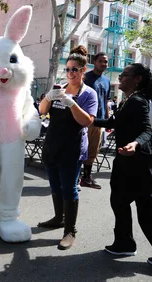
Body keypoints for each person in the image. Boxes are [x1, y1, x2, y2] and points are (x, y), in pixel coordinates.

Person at [38, 45, 98, 250]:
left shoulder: (89, 94)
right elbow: (42, 111)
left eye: (75, 69)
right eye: (68, 69)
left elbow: (87, 121)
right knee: (55, 186)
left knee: (69, 188)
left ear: (83, 70)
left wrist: (71, 103)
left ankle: (70, 230)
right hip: (52, 145)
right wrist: (48, 97)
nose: (70, 73)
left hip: (72, 149)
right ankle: (58, 218)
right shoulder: (59, 88)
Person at [94, 63, 152, 266]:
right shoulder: (128, 101)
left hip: (137, 162)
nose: (121, 77)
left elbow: (147, 130)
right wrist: (89, 120)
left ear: (137, 79)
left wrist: (135, 144)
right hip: (125, 161)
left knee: (144, 209)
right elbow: (113, 124)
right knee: (120, 202)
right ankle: (124, 243)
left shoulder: (138, 101)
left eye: (125, 75)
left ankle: (125, 243)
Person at [80, 52, 111, 189]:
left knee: (93, 150)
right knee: (80, 149)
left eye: (106, 62)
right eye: (101, 61)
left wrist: (107, 119)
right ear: (94, 62)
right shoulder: (85, 78)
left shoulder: (107, 80)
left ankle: (86, 178)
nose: (104, 64)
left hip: (99, 122)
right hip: (85, 120)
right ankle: (75, 177)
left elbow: (105, 100)